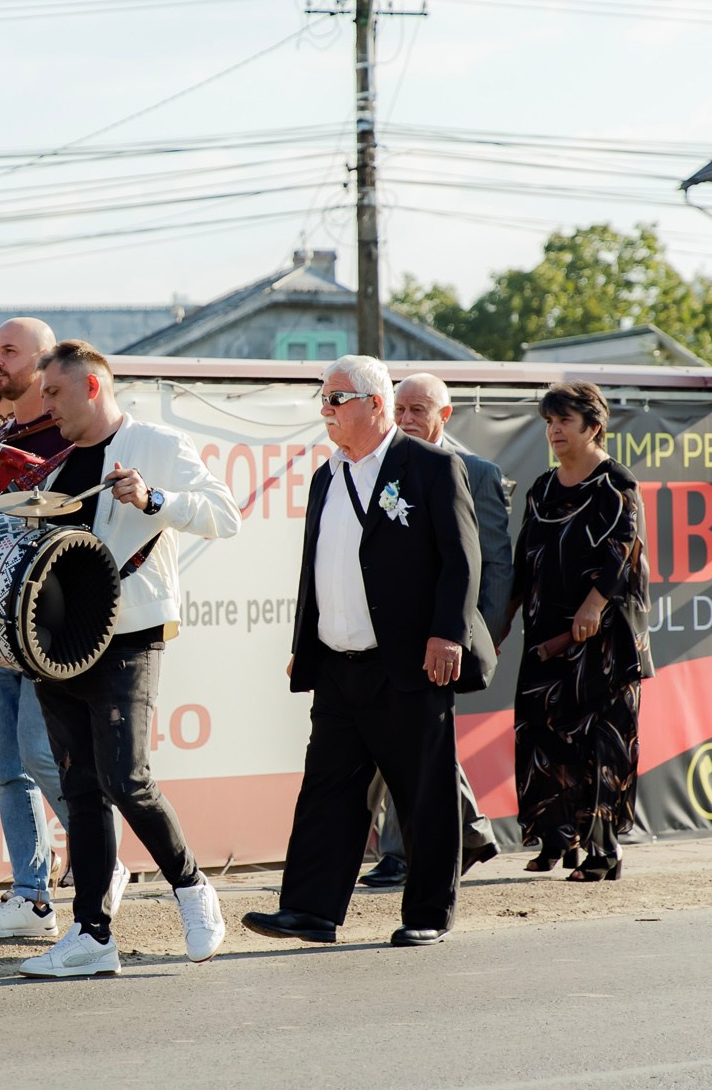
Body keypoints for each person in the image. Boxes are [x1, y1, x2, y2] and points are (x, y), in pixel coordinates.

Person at [244, 355, 492, 949]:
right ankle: (309, 911)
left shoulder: (431, 467)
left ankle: (429, 912)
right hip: (337, 664)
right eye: (323, 399)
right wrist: (308, 644)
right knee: (327, 791)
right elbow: (318, 568)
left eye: (337, 399)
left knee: (423, 795)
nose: (325, 410)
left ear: (375, 404)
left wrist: (447, 634)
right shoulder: (327, 475)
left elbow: (463, 559)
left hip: (408, 662)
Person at [16, 341, 241, 978]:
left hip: (130, 634)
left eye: (55, 392)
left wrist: (153, 500)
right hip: (56, 644)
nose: (46, 405)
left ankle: (192, 887)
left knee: (125, 778)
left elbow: (225, 515)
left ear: (92, 386)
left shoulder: (157, 444)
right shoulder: (55, 462)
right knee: (80, 788)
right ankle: (92, 935)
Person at [0, 317, 125, 940]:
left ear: (43, 364)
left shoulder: (72, 440)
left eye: (9, 351)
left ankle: (102, 861)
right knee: (7, 764)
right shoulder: (0, 433)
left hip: (42, 621)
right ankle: (31, 896)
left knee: (40, 752)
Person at [359, 371, 511, 890]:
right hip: (383, 637)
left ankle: (407, 852)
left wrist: (475, 639)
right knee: (409, 738)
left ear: (444, 415)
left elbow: (492, 563)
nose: (405, 420)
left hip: (445, 638)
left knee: (415, 737)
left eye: (417, 411)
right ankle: (466, 833)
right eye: (399, 409)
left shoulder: (475, 471)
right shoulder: (375, 466)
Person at [511, 381, 653, 882]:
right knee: (540, 733)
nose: (554, 430)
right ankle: (557, 838)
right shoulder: (542, 488)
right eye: (549, 422)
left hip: (605, 640)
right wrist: (500, 623)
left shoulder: (616, 483)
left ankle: (603, 849)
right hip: (545, 634)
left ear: (593, 427)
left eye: (564, 421)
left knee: (601, 744)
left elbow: (622, 553)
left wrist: (592, 607)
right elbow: (524, 561)